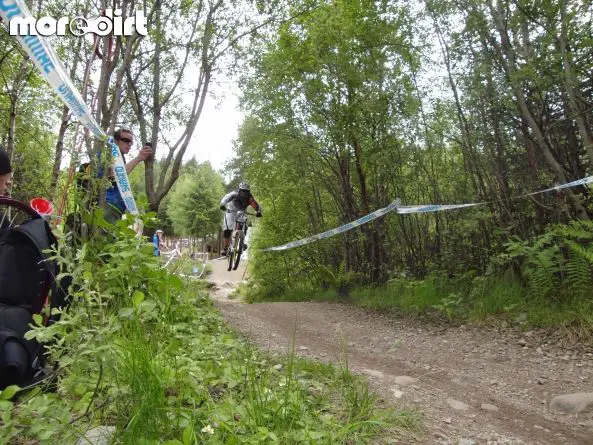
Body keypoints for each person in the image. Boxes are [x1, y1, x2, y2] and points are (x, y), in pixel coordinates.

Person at [103, 129, 153, 223]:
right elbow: (113, 175)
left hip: (116, 210)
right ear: (116, 141)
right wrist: (139, 158)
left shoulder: (121, 158)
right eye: (126, 140)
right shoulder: (107, 155)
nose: (129, 144)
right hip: (108, 206)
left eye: (131, 142)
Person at [219, 181, 262, 256]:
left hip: (241, 211)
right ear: (239, 190)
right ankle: (225, 248)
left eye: (246, 192)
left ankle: (242, 241)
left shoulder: (249, 198)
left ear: (248, 192)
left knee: (244, 224)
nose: (244, 194)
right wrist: (223, 204)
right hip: (231, 210)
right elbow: (226, 198)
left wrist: (258, 211)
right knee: (228, 228)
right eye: (243, 192)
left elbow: (255, 205)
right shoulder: (234, 194)